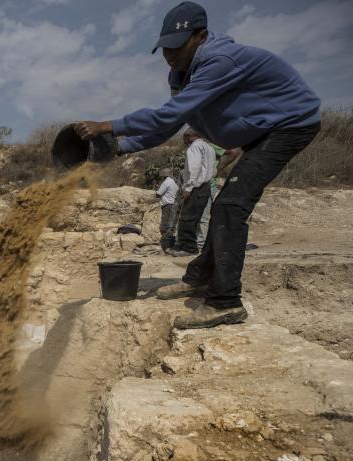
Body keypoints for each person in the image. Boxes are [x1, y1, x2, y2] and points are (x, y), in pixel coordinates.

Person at [73, 1, 320, 329]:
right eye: (164, 49)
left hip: (289, 125)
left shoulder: (218, 60)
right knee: (225, 207)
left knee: (231, 206)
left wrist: (107, 125)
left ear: (200, 36)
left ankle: (225, 302)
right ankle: (198, 278)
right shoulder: (180, 73)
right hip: (260, 133)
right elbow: (165, 128)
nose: (170, 55)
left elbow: (167, 115)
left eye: (177, 47)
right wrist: (119, 149)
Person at [168, 128, 216, 257]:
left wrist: (188, 188)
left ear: (189, 136)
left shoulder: (195, 147)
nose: (184, 141)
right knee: (195, 218)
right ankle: (186, 245)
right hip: (206, 186)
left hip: (196, 187)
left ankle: (188, 247)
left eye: (184, 137)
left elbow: (194, 169)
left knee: (187, 218)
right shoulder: (209, 147)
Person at [197, 145, 242, 249]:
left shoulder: (210, 145)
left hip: (208, 185)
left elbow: (234, 151)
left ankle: (201, 243)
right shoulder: (198, 146)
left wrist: (219, 167)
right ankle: (198, 240)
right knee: (198, 215)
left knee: (204, 215)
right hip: (198, 185)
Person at [155, 169, 180, 250]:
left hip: (167, 205)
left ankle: (165, 243)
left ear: (163, 176)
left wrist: (158, 188)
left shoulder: (166, 182)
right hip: (174, 204)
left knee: (165, 223)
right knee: (171, 223)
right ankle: (170, 241)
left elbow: (158, 194)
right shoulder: (174, 182)